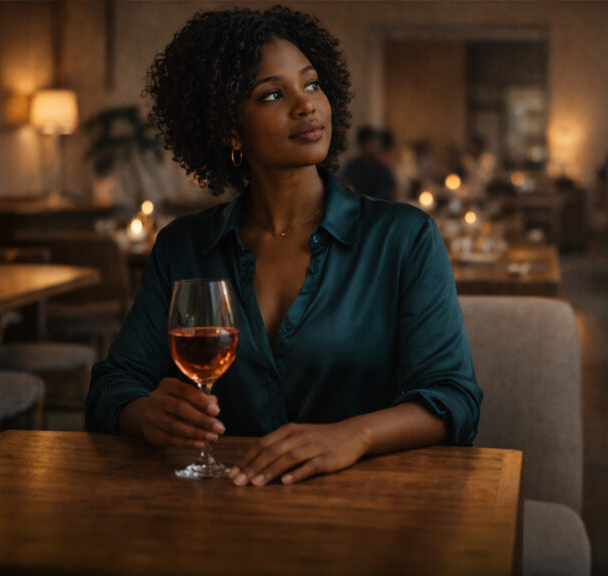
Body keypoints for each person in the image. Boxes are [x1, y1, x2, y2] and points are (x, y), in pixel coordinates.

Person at [88, 6, 481, 487]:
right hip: (219, 507)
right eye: (273, 94)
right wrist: (147, 413)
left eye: (312, 84)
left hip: (366, 508)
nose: (306, 105)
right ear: (228, 128)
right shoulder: (183, 247)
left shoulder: (403, 239)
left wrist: (352, 436)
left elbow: (453, 399)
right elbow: (112, 386)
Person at [340, 125, 396, 201]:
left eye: (377, 144)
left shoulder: (382, 168)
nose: (377, 148)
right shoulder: (352, 167)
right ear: (364, 145)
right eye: (373, 144)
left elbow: (392, 192)